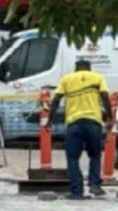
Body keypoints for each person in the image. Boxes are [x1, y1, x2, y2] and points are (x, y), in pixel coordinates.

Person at [47, 58, 113, 200]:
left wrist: (49, 120)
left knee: (72, 158)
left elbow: (56, 100)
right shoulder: (98, 77)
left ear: (76, 68)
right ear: (89, 68)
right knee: (95, 155)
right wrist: (110, 117)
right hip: (94, 122)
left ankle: (77, 191)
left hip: (74, 123)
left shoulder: (67, 79)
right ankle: (95, 184)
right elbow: (105, 97)